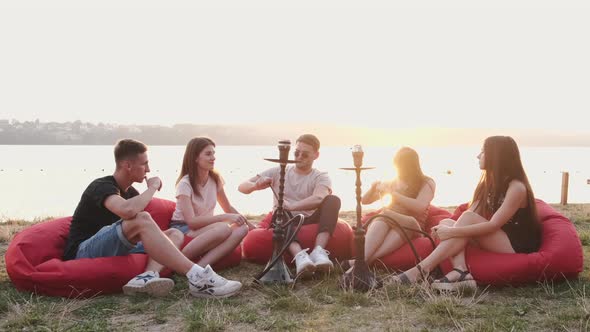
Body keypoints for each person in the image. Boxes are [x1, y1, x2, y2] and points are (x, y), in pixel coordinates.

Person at [62, 139, 242, 298]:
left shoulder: (131, 192)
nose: (148, 169)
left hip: (118, 246)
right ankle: (197, 277)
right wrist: (153, 187)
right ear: (128, 166)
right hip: (84, 250)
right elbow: (128, 211)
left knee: (174, 234)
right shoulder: (101, 186)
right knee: (142, 218)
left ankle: (145, 278)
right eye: (144, 164)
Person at [392, 136, 542, 291]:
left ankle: (420, 270)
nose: (478, 156)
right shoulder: (488, 184)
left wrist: (451, 232)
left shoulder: (517, 187)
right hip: (500, 237)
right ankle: (461, 272)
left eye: (483, 152)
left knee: (457, 225)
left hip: (517, 244)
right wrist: (448, 229)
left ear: (496, 156)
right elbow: (471, 213)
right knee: (446, 223)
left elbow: (493, 224)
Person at [238, 134, 341, 278]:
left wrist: (292, 206)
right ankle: (300, 256)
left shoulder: (321, 176)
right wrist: (256, 185)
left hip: (309, 217)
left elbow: (319, 197)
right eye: (296, 152)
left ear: (316, 155)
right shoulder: (278, 170)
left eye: (305, 154)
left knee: (333, 200)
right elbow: (242, 187)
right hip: (284, 218)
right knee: (281, 211)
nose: (299, 157)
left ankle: (318, 251)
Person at [342, 147, 435, 270]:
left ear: (412, 166)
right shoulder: (393, 181)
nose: (399, 169)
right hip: (393, 223)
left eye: (402, 166)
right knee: (383, 217)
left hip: (413, 225)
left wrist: (393, 194)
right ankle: (362, 263)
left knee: (386, 213)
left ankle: (359, 262)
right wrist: (373, 188)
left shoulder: (427, 182)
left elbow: (419, 207)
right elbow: (365, 201)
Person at [170, 137, 253, 267]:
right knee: (223, 228)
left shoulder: (215, 179)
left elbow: (228, 207)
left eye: (213, 153)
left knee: (242, 228)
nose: (213, 157)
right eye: (208, 154)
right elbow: (191, 222)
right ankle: (185, 264)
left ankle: (201, 269)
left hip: (205, 228)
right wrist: (224, 218)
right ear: (195, 158)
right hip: (183, 228)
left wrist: (251, 226)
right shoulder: (185, 184)